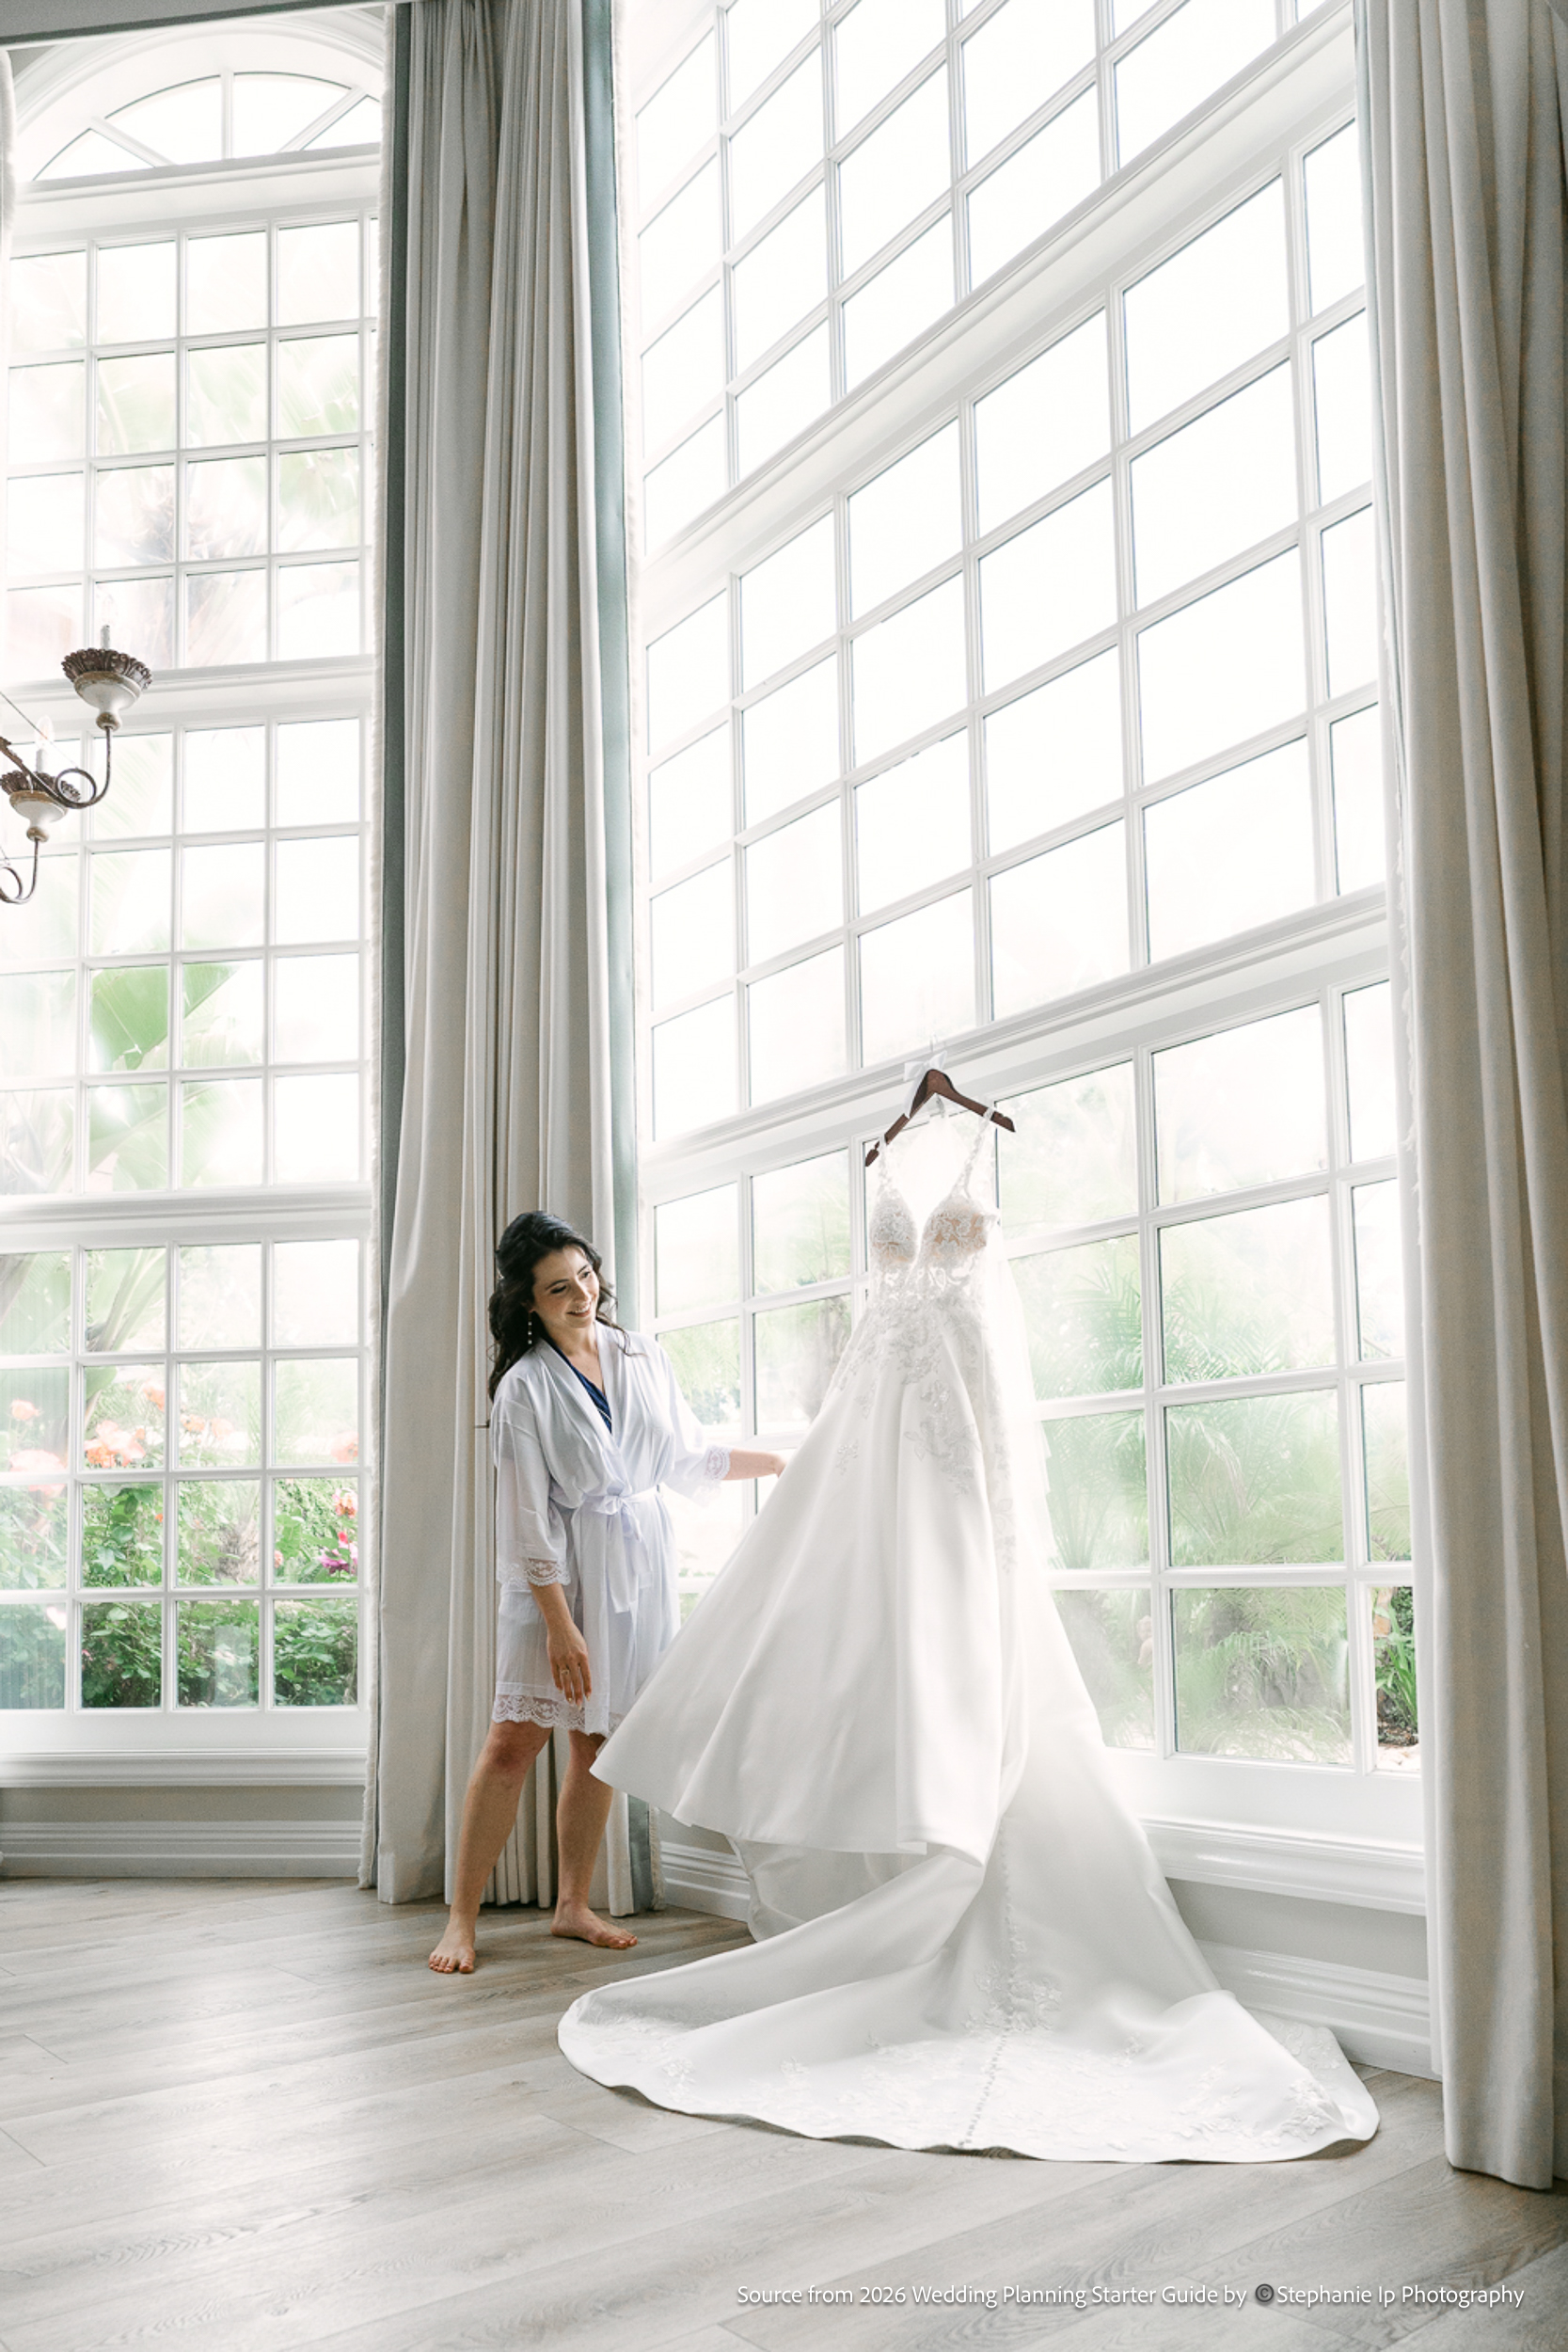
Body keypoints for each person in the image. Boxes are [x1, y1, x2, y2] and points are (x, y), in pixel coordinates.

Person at [561, 1106, 1379, 2162]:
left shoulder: (974, 1165)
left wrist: (996, 1489)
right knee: (847, 1642)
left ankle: (958, 1859)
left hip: (950, 1429)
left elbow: (995, 1339)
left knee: (963, 1650)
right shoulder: (888, 1173)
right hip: (880, 1426)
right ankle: (896, 1850)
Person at [428, 1212, 783, 1973]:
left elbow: (690, 1456)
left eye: (585, 1276)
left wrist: (784, 1464)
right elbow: (525, 1520)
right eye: (558, 1288)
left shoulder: (642, 1355)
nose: (580, 1295)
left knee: (598, 1742)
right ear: (528, 1302)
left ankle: (572, 1905)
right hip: (555, 1579)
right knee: (513, 1741)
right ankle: (459, 1919)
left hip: (636, 1567)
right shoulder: (523, 1389)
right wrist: (560, 1627)